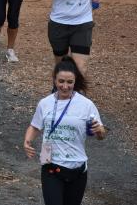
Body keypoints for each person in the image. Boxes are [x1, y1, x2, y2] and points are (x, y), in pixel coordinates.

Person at [23, 56, 106, 205]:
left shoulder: (86, 105)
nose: (65, 86)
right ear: (54, 80)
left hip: (78, 168)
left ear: (75, 82)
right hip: (50, 166)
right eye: (61, 81)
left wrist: (99, 130)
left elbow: (100, 135)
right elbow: (35, 126)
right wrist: (27, 141)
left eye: (70, 82)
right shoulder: (45, 103)